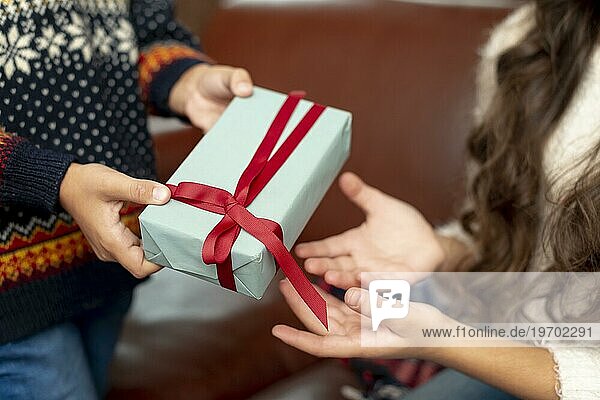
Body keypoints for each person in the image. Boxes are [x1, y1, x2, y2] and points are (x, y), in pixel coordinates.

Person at [272, 1, 600, 399]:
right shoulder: (527, 36)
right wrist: (442, 250)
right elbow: (518, 249)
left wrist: (443, 338)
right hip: (522, 339)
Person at [0, 1, 253, 398]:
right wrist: (57, 180)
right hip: (9, 293)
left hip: (107, 263)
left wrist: (185, 81)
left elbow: (143, 35)